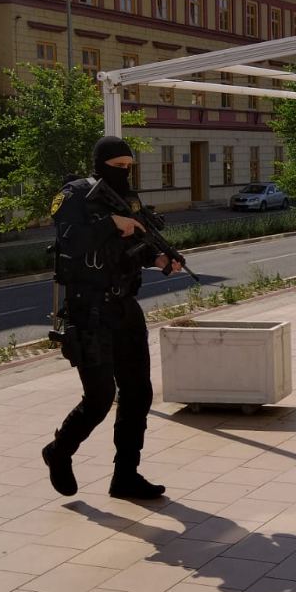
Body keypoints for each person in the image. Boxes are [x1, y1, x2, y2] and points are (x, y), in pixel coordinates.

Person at [41, 136, 181, 500]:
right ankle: (59, 451)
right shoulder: (74, 196)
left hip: (124, 307)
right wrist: (111, 223)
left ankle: (125, 475)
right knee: (100, 397)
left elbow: (133, 248)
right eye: (118, 167)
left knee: (138, 393)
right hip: (89, 310)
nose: (125, 173)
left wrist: (158, 258)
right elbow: (71, 241)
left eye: (129, 167)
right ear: (100, 164)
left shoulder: (128, 200)